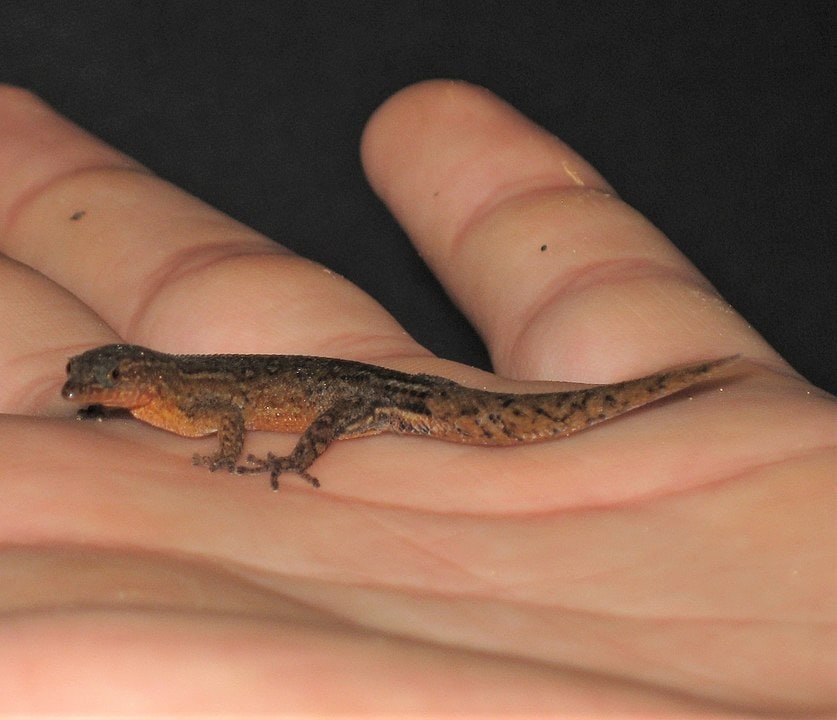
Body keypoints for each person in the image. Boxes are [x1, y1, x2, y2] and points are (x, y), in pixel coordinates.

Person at [0, 80, 832, 715]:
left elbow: (227, 418)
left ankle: (315, 453)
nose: (84, 389)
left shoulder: (184, 399)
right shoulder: (158, 398)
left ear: (136, 375)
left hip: (384, 399)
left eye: (99, 379)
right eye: (87, 380)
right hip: (384, 391)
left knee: (371, 412)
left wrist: (263, 458)